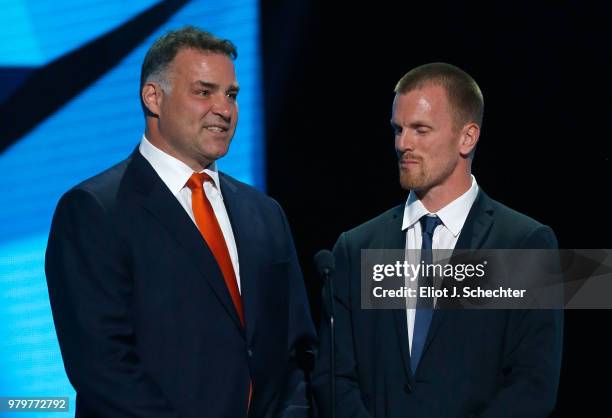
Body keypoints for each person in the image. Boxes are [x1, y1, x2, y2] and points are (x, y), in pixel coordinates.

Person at [45, 26, 316, 418]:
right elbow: (104, 368)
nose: (224, 109)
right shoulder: (93, 210)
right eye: (204, 92)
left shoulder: (264, 213)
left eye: (232, 95)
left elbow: (298, 351)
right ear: (153, 98)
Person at [312, 63, 563, 418]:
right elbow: (334, 378)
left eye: (420, 129)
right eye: (398, 129)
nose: (403, 144)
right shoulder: (356, 249)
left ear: (467, 137)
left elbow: (532, 384)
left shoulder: (522, 243)